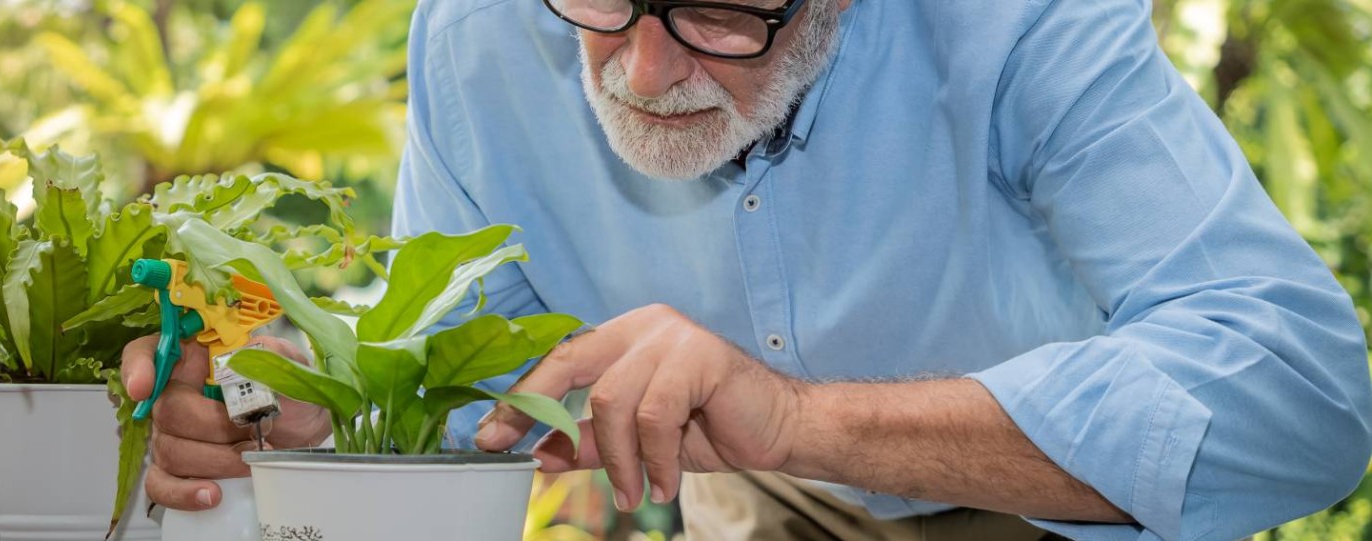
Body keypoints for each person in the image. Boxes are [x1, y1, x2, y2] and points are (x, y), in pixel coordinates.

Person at [121, 0, 1372, 538]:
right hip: (747, 510)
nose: (642, 74)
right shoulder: (478, 34)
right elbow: (472, 370)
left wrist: (799, 420)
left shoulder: (1017, 20)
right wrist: (302, 402)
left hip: (1039, 502)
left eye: (722, 12)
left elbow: (1303, 398)